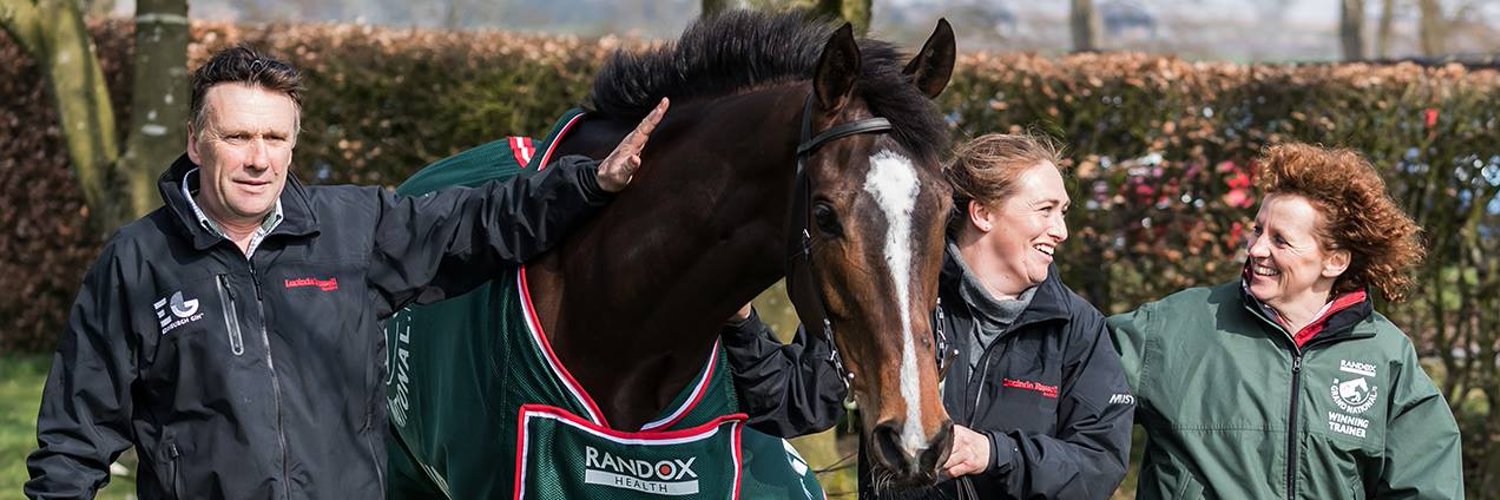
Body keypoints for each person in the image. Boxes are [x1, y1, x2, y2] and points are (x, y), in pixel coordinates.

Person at [25, 45, 668, 499]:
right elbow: (75, 433)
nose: (258, 160)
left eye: (275, 139)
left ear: (294, 144)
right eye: (238, 137)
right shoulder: (137, 261)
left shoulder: (352, 230)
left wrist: (591, 183)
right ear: (196, 143)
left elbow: (477, 221)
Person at [723, 133, 1134, 499]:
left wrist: (991, 453)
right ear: (983, 214)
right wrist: (741, 324)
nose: (1061, 229)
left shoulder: (1078, 326)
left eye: (1062, 211)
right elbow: (794, 404)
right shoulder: (894, 299)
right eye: (1045, 210)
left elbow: (1099, 464)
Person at [1108, 143, 1464, 499]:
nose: (1257, 249)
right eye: (1257, 230)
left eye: (1281, 240)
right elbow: (1070, 376)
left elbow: (1426, 485)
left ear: (1335, 261)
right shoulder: (1174, 326)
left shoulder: (1386, 355)